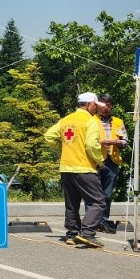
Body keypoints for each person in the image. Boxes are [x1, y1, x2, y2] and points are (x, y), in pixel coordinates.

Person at [43, 92, 106, 249]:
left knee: (72, 203)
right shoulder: (91, 121)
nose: (96, 108)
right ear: (88, 105)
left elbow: (48, 136)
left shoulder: (66, 120)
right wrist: (100, 161)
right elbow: (91, 145)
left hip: (66, 167)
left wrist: (62, 147)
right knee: (98, 202)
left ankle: (72, 234)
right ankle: (87, 233)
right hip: (84, 167)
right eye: (95, 105)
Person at [94, 94, 128, 233]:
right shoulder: (92, 120)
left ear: (112, 106)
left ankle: (104, 220)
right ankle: (92, 221)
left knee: (107, 194)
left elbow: (125, 139)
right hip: (95, 161)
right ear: (97, 106)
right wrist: (104, 142)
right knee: (94, 194)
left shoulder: (118, 121)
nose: (106, 108)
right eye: (103, 105)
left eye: (109, 105)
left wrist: (120, 143)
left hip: (112, 161)